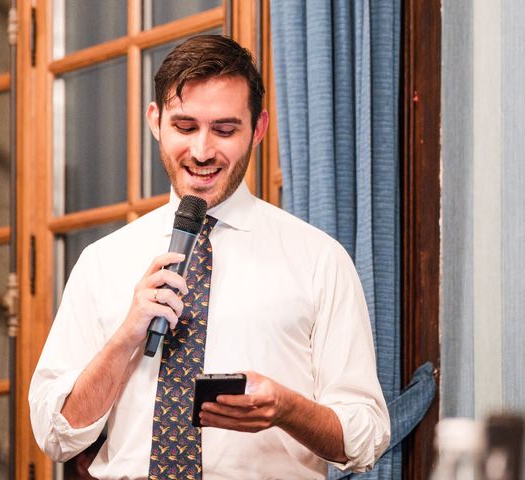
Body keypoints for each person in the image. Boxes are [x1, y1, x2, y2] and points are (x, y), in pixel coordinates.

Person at [29, 35, 390, 479]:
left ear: (258, 128)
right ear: (155, 121)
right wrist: (126, 337)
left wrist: (287, 409)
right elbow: (56, 434)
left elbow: (367, 436)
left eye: (224, 129)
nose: (202, 152)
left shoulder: (319, 260)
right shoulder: (102, 262)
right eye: (184, 127)